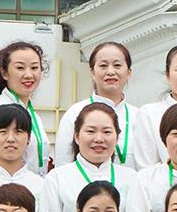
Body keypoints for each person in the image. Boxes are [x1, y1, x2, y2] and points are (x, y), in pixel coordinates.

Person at [55, 41, 158, 171]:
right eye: (103, 65)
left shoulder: (140, 116)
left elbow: (149, 168)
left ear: (128, 73)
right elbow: (63, 164)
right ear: (92, 72)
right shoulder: (75, 113)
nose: (110, 72)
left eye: (117, 65)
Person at [0, 41, 52, 171]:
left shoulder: (33, 115)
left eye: (34, 67)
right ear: (4, 73)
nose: (29, 75)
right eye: (20, 68)